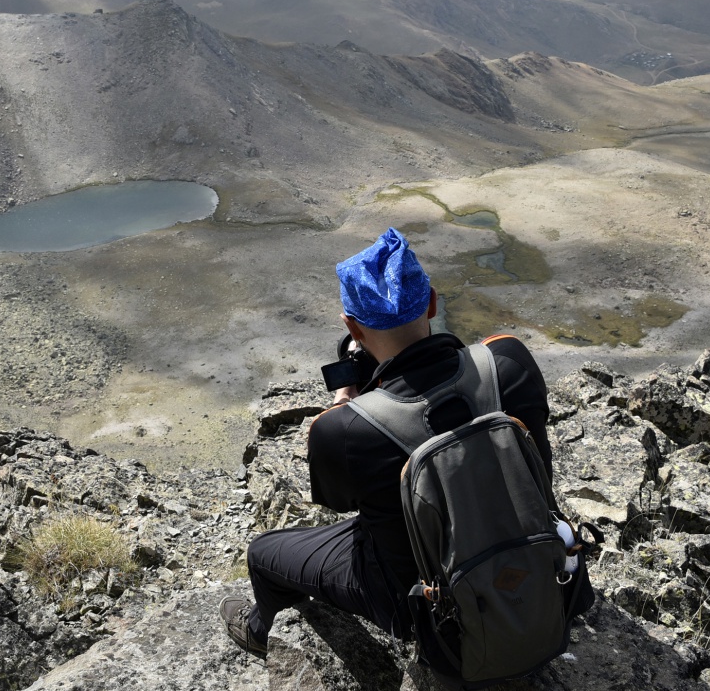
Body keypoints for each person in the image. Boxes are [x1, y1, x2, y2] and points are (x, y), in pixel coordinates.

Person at [221, 227, 552, 657]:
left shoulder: (342, 430)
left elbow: (338, 502)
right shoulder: (509, 360)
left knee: (264, 554)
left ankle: (261, 632)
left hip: (425, 610)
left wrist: (345, 404)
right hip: (542, 566)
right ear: (432, 301)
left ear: (352, 328)